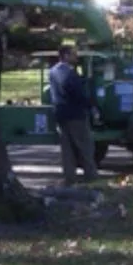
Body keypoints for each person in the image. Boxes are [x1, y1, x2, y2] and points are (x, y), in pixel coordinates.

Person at [48, 45, 98, 184]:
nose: (76, 57)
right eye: (73, 54)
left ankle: (70, 177)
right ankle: (91, 176)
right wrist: (91, 106)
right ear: (65, 56)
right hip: (75, 114)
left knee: (67, 148)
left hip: (61, 114)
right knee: (85, 145)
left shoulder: (53, 71)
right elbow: (77, 94)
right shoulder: (69, 73)